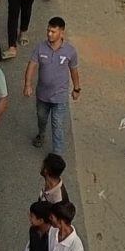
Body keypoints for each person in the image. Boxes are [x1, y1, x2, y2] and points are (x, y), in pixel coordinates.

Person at [23, 16, 81, 157]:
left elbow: (74, 70)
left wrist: (77, 88)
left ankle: (57, 155)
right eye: (48, 31)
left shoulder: (70, 51)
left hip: (59, 96)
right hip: (42, 94)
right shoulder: (40, 48)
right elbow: (32, 65)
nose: (49, 34)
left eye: (53, 31)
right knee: (41, 117)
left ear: (61, 33)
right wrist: (27, 84)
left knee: (58, 124)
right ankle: (41, 134)